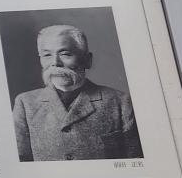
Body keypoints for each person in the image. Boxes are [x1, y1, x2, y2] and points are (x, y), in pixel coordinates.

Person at [12, 24, 141, 162]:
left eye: (65, 54)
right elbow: (21, 163)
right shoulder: (25, 104)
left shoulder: (120, 102)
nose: (55, 63)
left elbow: (136, 161)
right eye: (47, 55)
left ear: (87, 60)